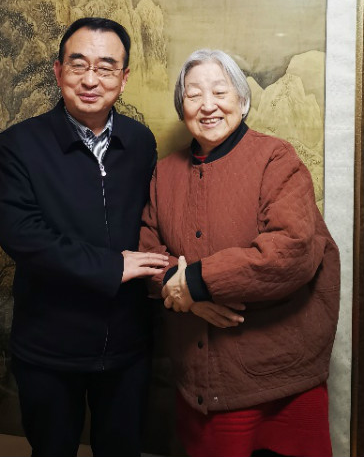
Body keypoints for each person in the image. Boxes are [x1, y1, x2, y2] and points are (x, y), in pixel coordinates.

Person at [139, 48, 340, 457]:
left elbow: (293, 249)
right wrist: (184, 293)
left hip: (283, 377)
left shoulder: (276, 159)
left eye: (220, 91)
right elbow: (148, 252)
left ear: (243, 101)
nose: (207, 104)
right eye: (193, 94)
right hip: (202, 379)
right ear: (181, 107)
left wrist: (197, 282)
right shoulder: (166, 172)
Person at [0, 17, 168, 457]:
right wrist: (111, 267)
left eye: (106, 68)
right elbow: (21, 235)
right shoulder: (19, 143)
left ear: (124, 79)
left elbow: (157, 220)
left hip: (127, 346)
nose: (91, 80)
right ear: (58, 72)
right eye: (78, 65)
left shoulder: (140, 142)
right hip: (49, 347)